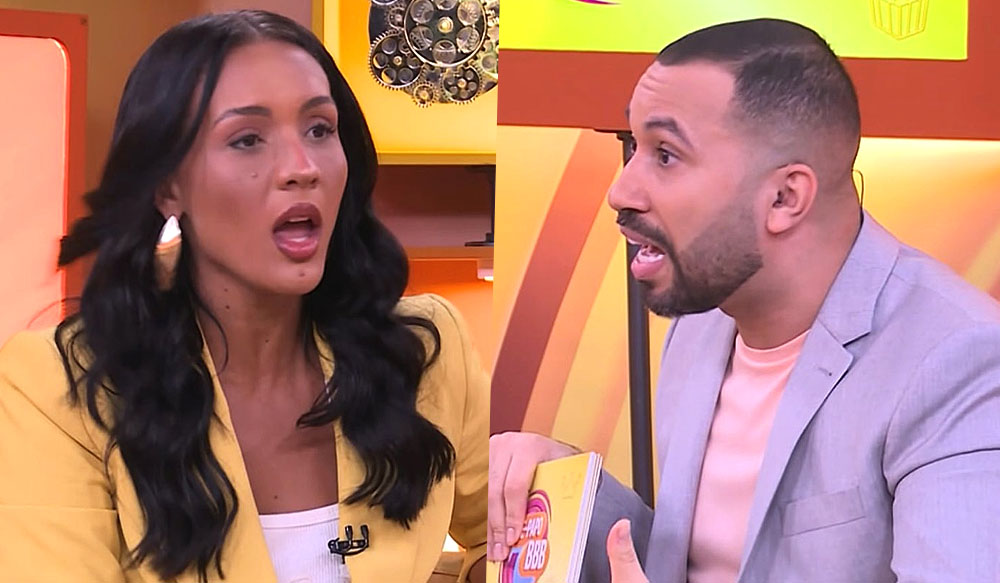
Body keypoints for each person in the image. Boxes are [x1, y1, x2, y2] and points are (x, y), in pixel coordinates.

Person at [489, 18, 1000, 583]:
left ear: (784, 197)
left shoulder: (962, 361)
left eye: (665, 155)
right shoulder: (702, 323)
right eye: (635, 147)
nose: (621, 191)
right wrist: (569, 488)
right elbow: (700, 561)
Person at [0, 11, 487, 583]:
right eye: (248, 140)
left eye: (319, 130)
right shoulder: (59, 388)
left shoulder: (424, 350)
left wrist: (536, 473)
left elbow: (502, 544)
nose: (302, 168)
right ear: (167, 187)